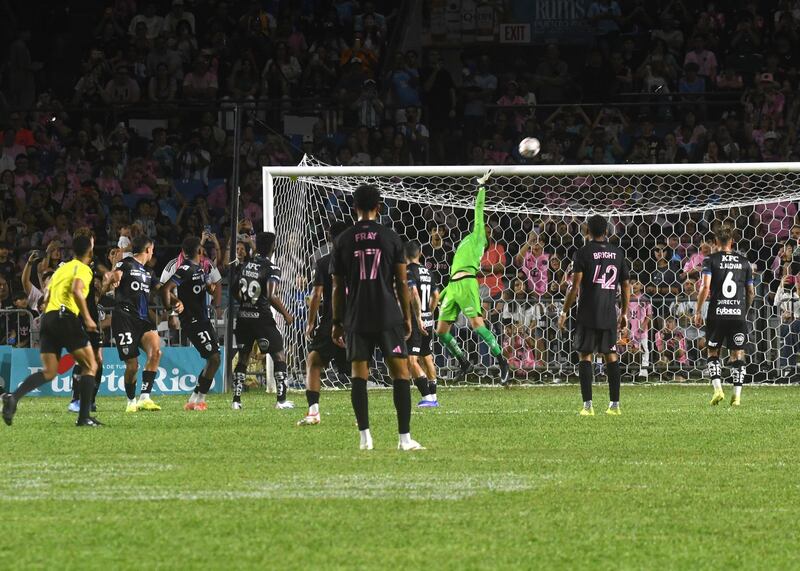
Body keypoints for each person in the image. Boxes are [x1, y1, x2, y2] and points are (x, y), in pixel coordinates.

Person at [330, 184, 422, 451]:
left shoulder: (343, 240)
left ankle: (365, 438)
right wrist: (407, 317)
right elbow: (402, 282)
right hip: (386, 314)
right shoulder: (391, 237)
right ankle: (404, 439)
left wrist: (337, 322)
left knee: (359, 374)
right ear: (379, 208)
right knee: (400, 373)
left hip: (357, 316)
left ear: (354, 208)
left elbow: (337, 286)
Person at [2, 232, 102, 427]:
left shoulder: (61, 270)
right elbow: (76, 290)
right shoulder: (82, 268)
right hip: (66, 317)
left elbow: (46, 295)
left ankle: (13, 397)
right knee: (91, 365)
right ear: (90, 249)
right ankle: (84, 418)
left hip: (48, 318)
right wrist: (88, 318)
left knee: (49, 371)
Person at [435, 171, 510, 384]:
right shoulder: (465, 240)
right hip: (452, 285)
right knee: (440, 331)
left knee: (477, 324)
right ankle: (464, 362)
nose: (484, 226)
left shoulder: (478, 237)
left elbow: (478, 210)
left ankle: (502, 362)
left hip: (467, 282)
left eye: (486, 227)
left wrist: (481, 188)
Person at [558, 215, 630, 416]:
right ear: (607, 232)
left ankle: (588, 406)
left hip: (587, 312)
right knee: (611, 355)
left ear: (587, 232)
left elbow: (575, 287)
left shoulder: (582, 253)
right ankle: (614, 405)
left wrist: (564, 311)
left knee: (585, 355)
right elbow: (625, 286)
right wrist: (623, 313)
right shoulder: (618, 253)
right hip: (608, 312)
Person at [297, 221, 352, 426]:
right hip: (356, 322)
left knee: (313, 361)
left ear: (330, 238)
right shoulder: (359, 261)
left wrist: (311, 323)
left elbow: (316, 294)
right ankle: (360, 415)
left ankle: (313, 412)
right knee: (358, 368)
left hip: (332, 322)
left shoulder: (324, 262)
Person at [232, 231, 294, 411]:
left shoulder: (244, 265)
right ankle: (281, 401)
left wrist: (246, 304)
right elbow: (272, 295)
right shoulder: (272, 268)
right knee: (279, 355)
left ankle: (236, 400)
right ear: (273, 247)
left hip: (243, 317)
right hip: (262, 318)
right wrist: (286, 314)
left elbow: (236, 290)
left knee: (243, 357)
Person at [694, 227, 754, 406]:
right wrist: (744, 310)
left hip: (717, 313)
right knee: (737, 353)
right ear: (732, 242)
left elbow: (705, 287)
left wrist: (698, 311)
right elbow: (750, 291)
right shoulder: (744, 262)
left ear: (714, 242)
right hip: (737, 314)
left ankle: (718, 389)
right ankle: (737, 395)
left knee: (713, 351)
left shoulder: (710, 260)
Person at [162, 236, 220, 411]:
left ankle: (194, 399)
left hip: (202, 319)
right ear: (199, 250)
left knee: (214, 358)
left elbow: (199, 287)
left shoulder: (199, 269)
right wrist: (172, 305)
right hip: (193, 321)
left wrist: (208, 288)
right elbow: (165, 288)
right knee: (214, 359)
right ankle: (199, 400)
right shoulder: (186, 268)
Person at [108, 235, 162, 412]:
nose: (152, 252)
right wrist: (114, 277)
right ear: (148, 249)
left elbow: (160, 288)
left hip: (143, 320)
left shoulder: (148, 273)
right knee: (133, 366)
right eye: (152, 249)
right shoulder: (127, 263)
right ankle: (131, 401)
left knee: (156, 352)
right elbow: (117, 273)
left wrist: (176, 297)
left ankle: (145, 397)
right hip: (124, 318)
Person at [68, 228, 114, 414]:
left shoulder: (92, 265)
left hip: (92, 316)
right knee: (83, 360)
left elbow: (99, 291)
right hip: (79, 317)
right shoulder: (74, 266)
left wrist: (109, 281)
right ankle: (76, 400)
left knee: (98, 360)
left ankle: (90, 400)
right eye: (92, 241)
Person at [405, 240, 440, 407]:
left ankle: (426, 396)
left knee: (411, 360)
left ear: (405, 255)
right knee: (427, 357)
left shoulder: (408, 271)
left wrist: (418, 315)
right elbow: (436, 296)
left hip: (415, 320)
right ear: (419, 254)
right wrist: (429, 313)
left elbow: (413, 294)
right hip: (428, 319)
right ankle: (433, 397)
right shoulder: (428, 271)